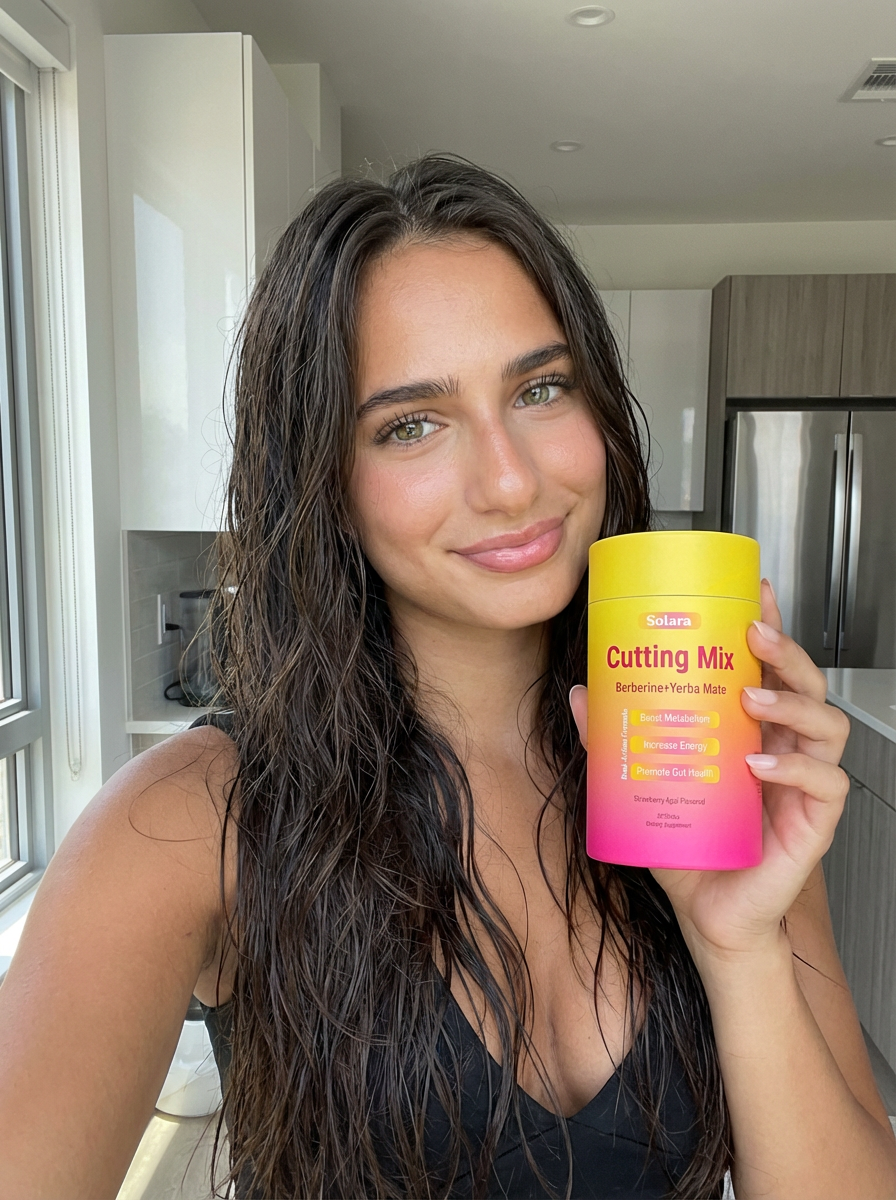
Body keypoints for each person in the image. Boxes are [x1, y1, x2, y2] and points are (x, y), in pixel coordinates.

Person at [0, 154, 894, 1200]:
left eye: (541, 387)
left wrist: (737, 948)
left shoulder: (698, 764)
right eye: (411, 425)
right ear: (323, 480)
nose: (511, 480)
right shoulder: (188, 820)